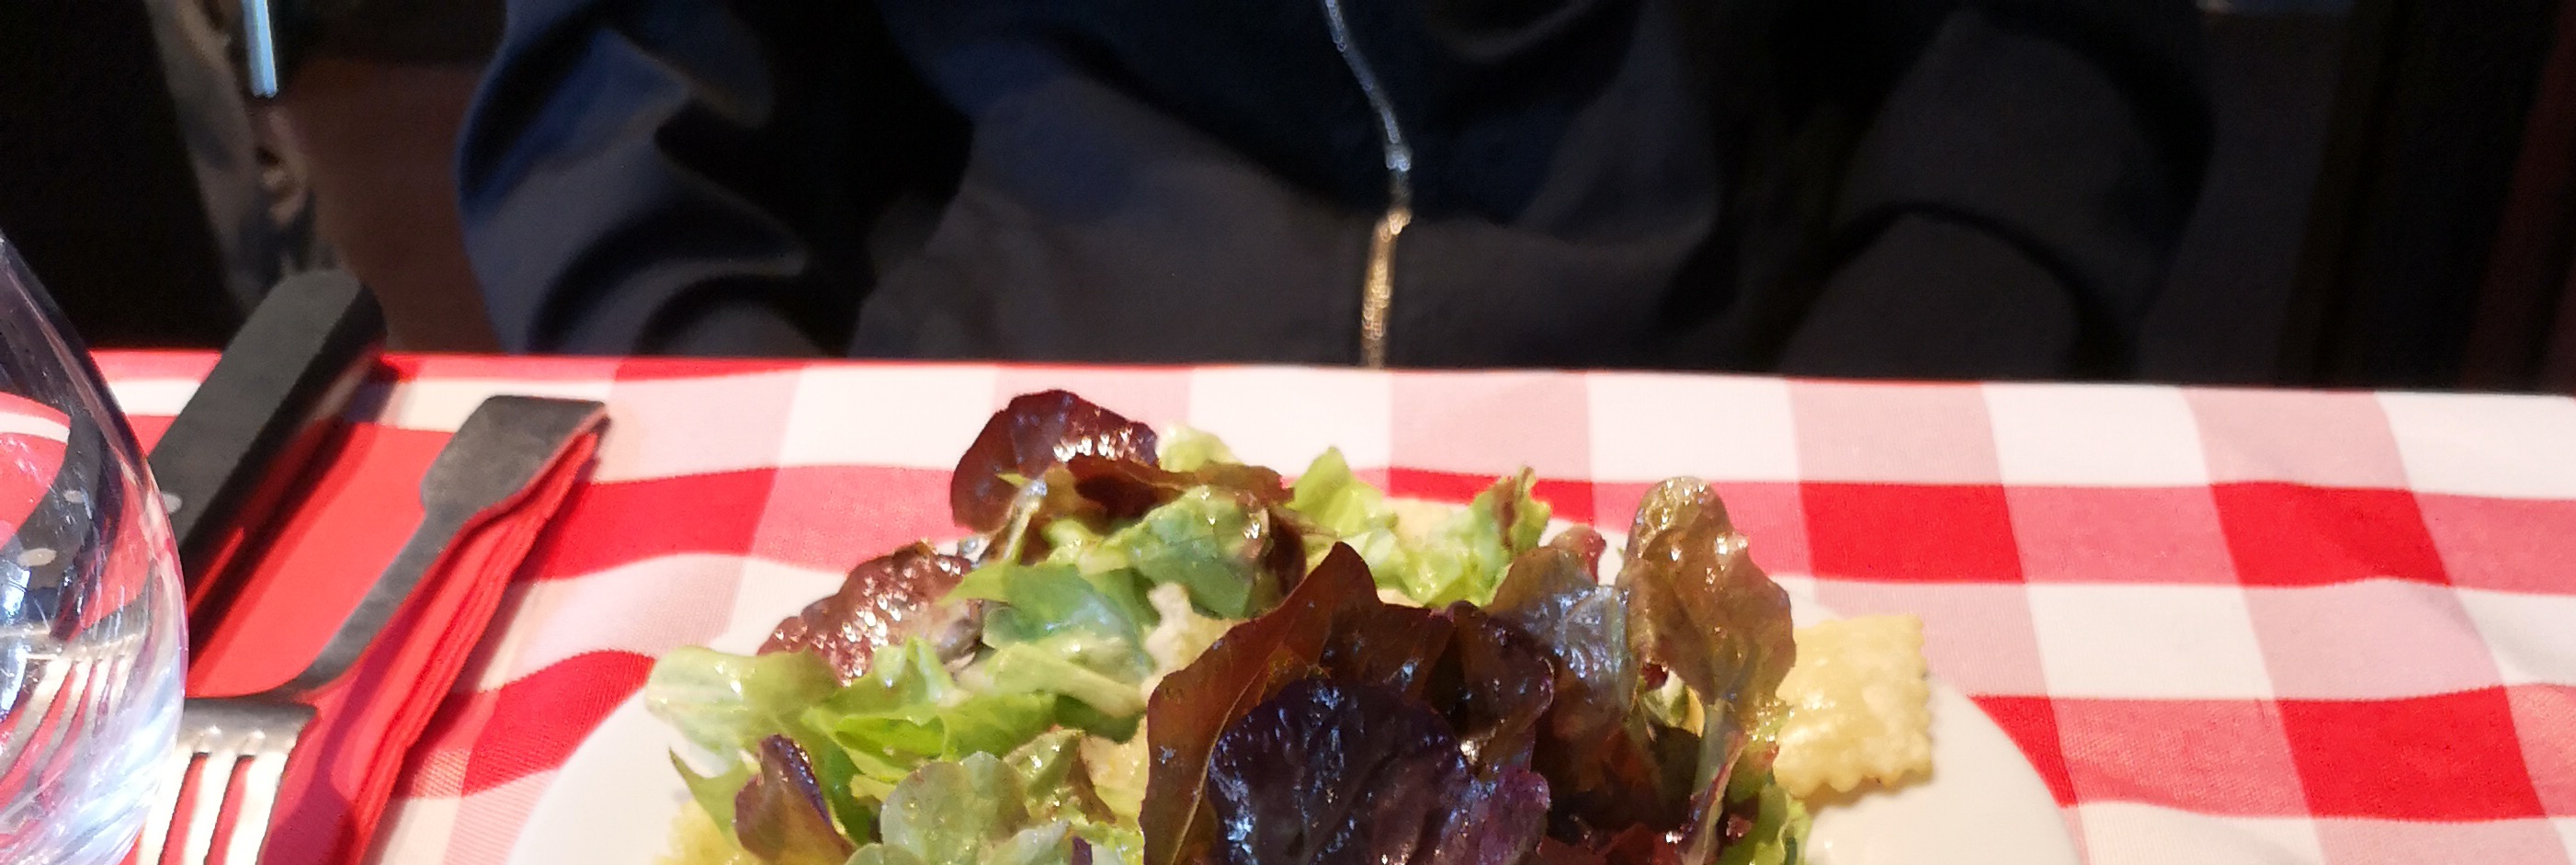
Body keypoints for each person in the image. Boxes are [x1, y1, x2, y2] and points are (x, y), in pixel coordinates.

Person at [457, 0, 2209, 380]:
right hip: (991, 413)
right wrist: (759, 454)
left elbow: (2045, 59)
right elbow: (632, 82)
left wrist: (1876, 429)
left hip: (1733, 368)